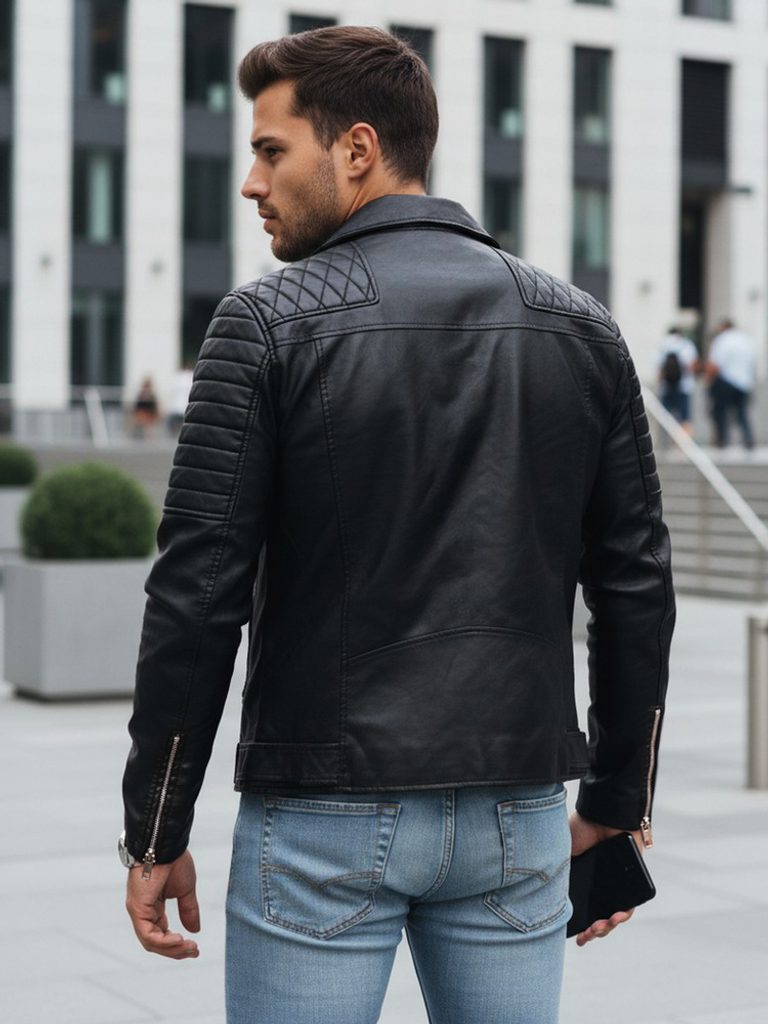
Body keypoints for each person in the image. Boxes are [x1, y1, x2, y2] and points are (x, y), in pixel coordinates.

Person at [120, 26, 674, 1024]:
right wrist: (618, 802)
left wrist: (156, 825)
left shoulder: (266, 322)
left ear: (358, 149)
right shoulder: (582, 325)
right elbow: (637, 586)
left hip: (322, 813)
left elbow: (197, 593)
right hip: (517, 812)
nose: (251, 181)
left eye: (271, 149)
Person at [706, 318, 757, 449]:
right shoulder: (746, 340)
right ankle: (748, 439)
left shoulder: (722, 340)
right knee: (742, 413)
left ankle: (722, 440)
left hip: (726, 381)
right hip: (744, 383)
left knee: (721, 412)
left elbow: (715, 364)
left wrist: (709, 380)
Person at [656, 326, 699, 435]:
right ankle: (684, 442)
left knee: (665, 417)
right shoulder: (687, 345)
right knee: (685, 417)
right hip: (684, 387)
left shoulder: (664, 344)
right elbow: (692, 367)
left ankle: (665, 441)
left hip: (666, 388)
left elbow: (659, 370)